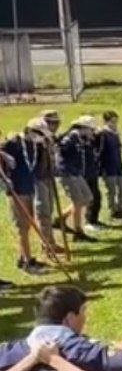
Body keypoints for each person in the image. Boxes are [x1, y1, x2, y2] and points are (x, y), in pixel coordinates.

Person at [2, 123, 49, 274]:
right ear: (29, 130)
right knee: (22, 227)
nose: (41, 138)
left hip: (29, 188)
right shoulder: (14, 143)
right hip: (16, 190)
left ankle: (24, 257)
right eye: (39, 134)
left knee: (28, 224)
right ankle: (28, 263)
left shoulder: (34, 145)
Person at [56, 115, 98, 242]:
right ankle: (78, 231)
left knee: (88, 197)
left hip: (76, 172)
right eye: (91, 129)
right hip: (68, 173)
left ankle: (60, 218)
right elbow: (61, 147)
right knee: (78, 201)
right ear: (84, 128)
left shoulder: (81, 138)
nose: (92, 132)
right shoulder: (72, 136)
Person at [27, 117, 60, 255]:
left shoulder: (46, 141)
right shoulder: (29, 144)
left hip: (47, 177)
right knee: (43, 212)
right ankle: (47, 244)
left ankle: (50, 242)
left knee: (49, 210)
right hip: (37, 180)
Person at [98, 111, 122, 220]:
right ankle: (113, 210)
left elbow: (118, 145)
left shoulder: (115, 133)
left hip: (119, 165)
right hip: (108, 167)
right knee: (111, 190)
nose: (115, 124)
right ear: (106, 122)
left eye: (116, 121)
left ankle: (120, 208)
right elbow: (100, 151)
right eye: (112, 121)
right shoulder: (103, 134)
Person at [83, 119, 104, 231]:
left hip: (92, 171)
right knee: (92, 197)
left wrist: (98, 137)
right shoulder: (81, 140)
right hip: (85, 172)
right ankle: (89, 221)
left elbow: (98, 149)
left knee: (96, 197)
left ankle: (94, 220)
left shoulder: (91, 140)